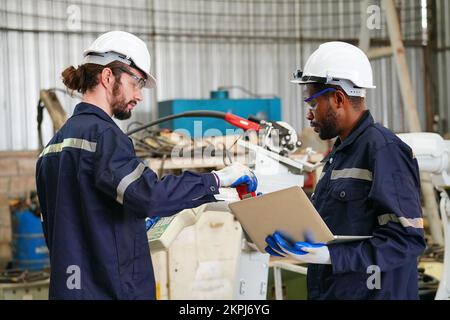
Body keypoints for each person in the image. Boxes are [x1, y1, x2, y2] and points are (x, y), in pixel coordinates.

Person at [35, 31, 257, 300]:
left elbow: (75, 223)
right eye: (136, 82)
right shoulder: (104, 136)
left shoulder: (52, 148)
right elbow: (149, 196)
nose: (139, 95)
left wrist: (130, 220)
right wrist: (217, 179)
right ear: (107, 77)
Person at [265, 41, 426, 300]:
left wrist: (330, 255)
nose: (309, 115)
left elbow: (405, 241)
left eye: (313, 104)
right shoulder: (341, 152)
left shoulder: (383, 151)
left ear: (338, 98)